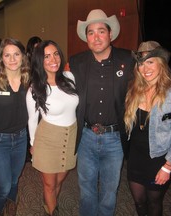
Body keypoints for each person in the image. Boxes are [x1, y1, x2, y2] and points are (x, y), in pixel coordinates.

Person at [68, 9, 135, 216]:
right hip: (87, 136)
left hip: (114, 138)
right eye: (91, 33)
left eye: (101, 31)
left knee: (109, 191)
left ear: (110, 34)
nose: (96, 37)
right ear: (86, 37)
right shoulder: (77, 62)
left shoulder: (128, 60)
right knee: (86, 189)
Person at [124, 41, 171, 215]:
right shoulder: (134, 91)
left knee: (154, 203)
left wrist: (168, 167)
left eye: (150, 62)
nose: (145, 68)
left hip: (159, 160)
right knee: (139, 202)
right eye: (141, 63)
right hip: (136, 158)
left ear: (161, 64)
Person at [26, 40, 78, 216]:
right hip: (47, 139)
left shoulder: (69, 78)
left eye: (55, 54)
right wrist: (33, 144)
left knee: (60, 180)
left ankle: (49, 203)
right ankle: (52, 210)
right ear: (40, 60)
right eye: (46, 56)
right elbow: (32, 120)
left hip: (70, 136)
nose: (53, 59)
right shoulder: (35, 88)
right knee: (49, 184)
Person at [0, 38, 30, 216]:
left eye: (16, 54)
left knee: (14, 180)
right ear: (1, 58)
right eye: (7, 55)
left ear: (23, 57)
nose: (12, 59)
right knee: (3, 185)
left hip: (21, 138)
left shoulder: (29, 80)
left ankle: (11, 206)